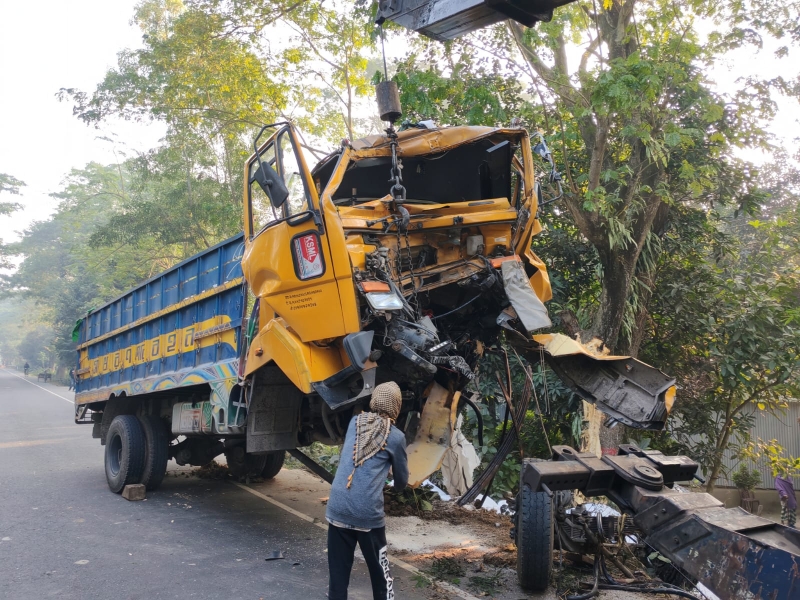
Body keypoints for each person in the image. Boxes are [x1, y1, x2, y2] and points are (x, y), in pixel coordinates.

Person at [326, 381, 409, 600]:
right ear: (396, 407)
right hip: (366, 515)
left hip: (336, 509)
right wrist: (391, 482)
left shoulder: (355, 422)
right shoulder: (396, 436)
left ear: (373, 402)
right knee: (381, 577)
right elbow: (402, 481)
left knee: (338, 579)